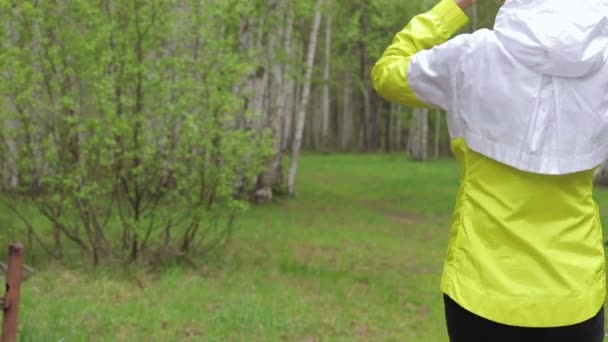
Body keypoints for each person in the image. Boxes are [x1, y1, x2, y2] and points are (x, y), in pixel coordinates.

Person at [371, 0, 608, 341]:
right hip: (576, 294)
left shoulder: (470, 56)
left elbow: (387, 73)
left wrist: (453, 7)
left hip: (479, 289)